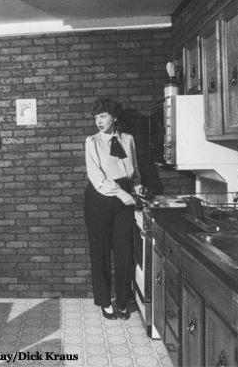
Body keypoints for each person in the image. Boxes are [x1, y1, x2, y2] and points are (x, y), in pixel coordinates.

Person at [84, 98, 143, 320]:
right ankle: (104, 301)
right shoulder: (92, 142)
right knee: (100, 253)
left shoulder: (128, 139)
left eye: (103, 116)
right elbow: (96, 176)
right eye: (96, 117)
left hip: (125, 198)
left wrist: (138, 187)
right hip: (100, 199)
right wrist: (121, 193)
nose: (98, 121)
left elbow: (134, 169)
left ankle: (123, 299)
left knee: (124, 253)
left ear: (114, 117)